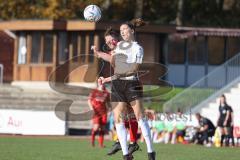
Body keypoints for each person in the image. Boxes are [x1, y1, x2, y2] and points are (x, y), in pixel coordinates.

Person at [100, 19, 156, 160]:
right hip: (118, 85)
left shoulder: (138, 48)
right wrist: (107, 79)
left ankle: (151, 153)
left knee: (140, 118)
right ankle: (126, 155)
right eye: (121, 31)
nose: (122, 32)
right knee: (118, 119)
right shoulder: (118, 47)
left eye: (125, 29)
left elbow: (134, 69)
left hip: (132, 84)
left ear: (132, 31)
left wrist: (119, 73)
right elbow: (117, 68)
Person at [92, 27, 140, 156]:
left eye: (110, 40)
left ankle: (131, 142)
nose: (109, 43)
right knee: (122, 115)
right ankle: (124, 141)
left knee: (128, 114)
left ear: (116, 39)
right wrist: (99, 53)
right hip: (120, 83)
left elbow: (112, 58)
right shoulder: (116, 49)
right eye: (107, 42)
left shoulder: (122, 46)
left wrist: (100, 54)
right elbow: (111, 57)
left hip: (130, 83)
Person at [88, 78, 110, 148]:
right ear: (98, 83)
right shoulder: (94, 91)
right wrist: (92, 109)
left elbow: (108, 103)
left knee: (102, 128)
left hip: (104, 113)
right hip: (96, 112)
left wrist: (110, 110)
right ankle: (92, 141)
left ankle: (101, 144)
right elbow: (89, 101)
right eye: (100, 82)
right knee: (96, 128)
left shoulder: (106, 93)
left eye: (103, 82)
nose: (102, 83)